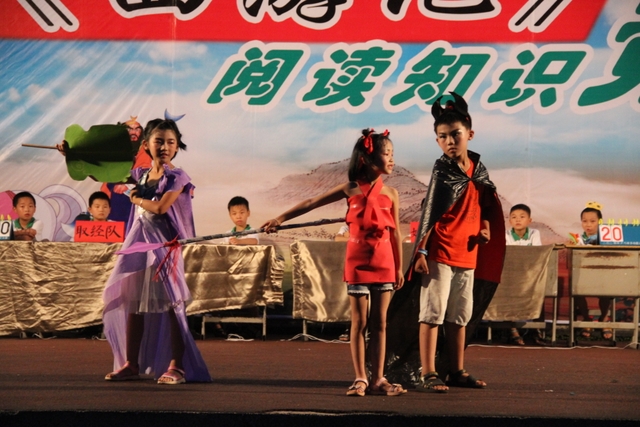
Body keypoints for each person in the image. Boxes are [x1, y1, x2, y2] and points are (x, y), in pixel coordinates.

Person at [262, 128, 406, 397]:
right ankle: (361, 378)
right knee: (359, 323)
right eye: (386, 153)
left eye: (392, 153)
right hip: (357, 262)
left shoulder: (392, 193)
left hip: (385, 263)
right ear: (367, 158)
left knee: (380, 324)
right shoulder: (350, 189)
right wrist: (280, 219)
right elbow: (312, 202)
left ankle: (379, 379)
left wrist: (398, 267)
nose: (392, 158)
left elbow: (396, 232)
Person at [102, 118, 211, 385]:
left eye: (171, 142)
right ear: (146, 145)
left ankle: (177, 366)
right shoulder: (140, 174)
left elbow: (161, 208)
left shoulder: (177, 177)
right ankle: (131, 363)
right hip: (139, 247)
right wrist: (72, 155)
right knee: (134, 303)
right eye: (159, 141)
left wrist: (136, 198)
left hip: (165, 248)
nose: (164, 147)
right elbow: (104, 172)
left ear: (177, 146)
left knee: (173, 304)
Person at [412, 92, 504, 393]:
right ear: (437, 140)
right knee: (432, 313)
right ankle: (428, 372)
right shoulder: (442, 170)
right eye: (443, 137)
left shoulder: (478, 169)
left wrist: (485, 228)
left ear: (469, 134)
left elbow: (486, 205)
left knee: (459, 316)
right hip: (440, 251)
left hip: (468, 253)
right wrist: (421, 250)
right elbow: (429, 213)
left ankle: (457, 370)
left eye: (455, 134)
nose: (450, 141)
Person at [571, 202, 612, 340]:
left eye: (592, 221)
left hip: (603, 273)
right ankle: (586, 318)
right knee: (576, 290)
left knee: (608, 291)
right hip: (584, 274)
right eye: (584, 221)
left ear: (600, 222)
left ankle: (604, 320)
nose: (588, 224)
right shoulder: (577, 238)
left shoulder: (607, 237)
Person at [505, 203, 542, 346]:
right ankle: (512, 330)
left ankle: (535, 331)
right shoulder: (506, 234)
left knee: (538, 295)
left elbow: (536, 253)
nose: (518, 220)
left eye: (522, 217)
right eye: (514, 217)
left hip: (530, 275)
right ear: (510, 221)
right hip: (511, 274)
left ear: (529, 220)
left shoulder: (534, 234)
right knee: (509, 298)